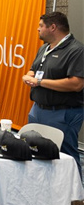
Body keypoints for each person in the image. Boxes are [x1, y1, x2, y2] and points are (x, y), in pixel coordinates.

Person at [22, 12, 83, 177]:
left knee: (66, 156)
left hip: (62, 112)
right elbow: (34, 69)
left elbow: (76, 84)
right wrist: (29, 76)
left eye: (41, 26)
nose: (38, 29)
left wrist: (39, 82)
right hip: (38, 109)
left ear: (53, 27)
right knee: (35, 149)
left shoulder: (76, 50)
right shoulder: (44, 48)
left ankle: (74, 191)